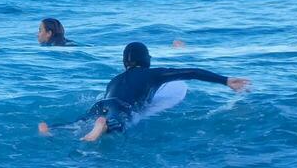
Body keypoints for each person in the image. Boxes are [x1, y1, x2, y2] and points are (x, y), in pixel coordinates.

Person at [38, 41, 249, 142]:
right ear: (146, 59)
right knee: (117, 125)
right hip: (122, 107)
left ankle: (52, 128)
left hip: (104, 102)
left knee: (79, 121)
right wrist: (225, 81)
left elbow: (110, 99)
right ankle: (101, 128)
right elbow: (191, 72)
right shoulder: (153, 74)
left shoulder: (115, 79)